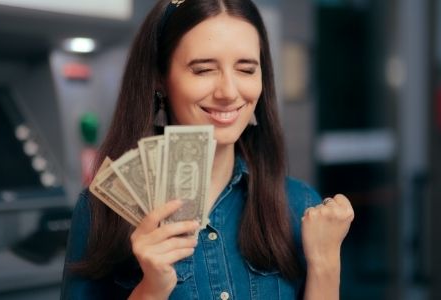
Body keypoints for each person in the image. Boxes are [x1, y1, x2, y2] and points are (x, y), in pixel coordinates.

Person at [61, 0, 354, 299]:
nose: (228, 92)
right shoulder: (100, 213)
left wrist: (325, 263)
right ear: (160, 79)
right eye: (203, 70)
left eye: (246, 69)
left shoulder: (300, 204)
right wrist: (151, 290)